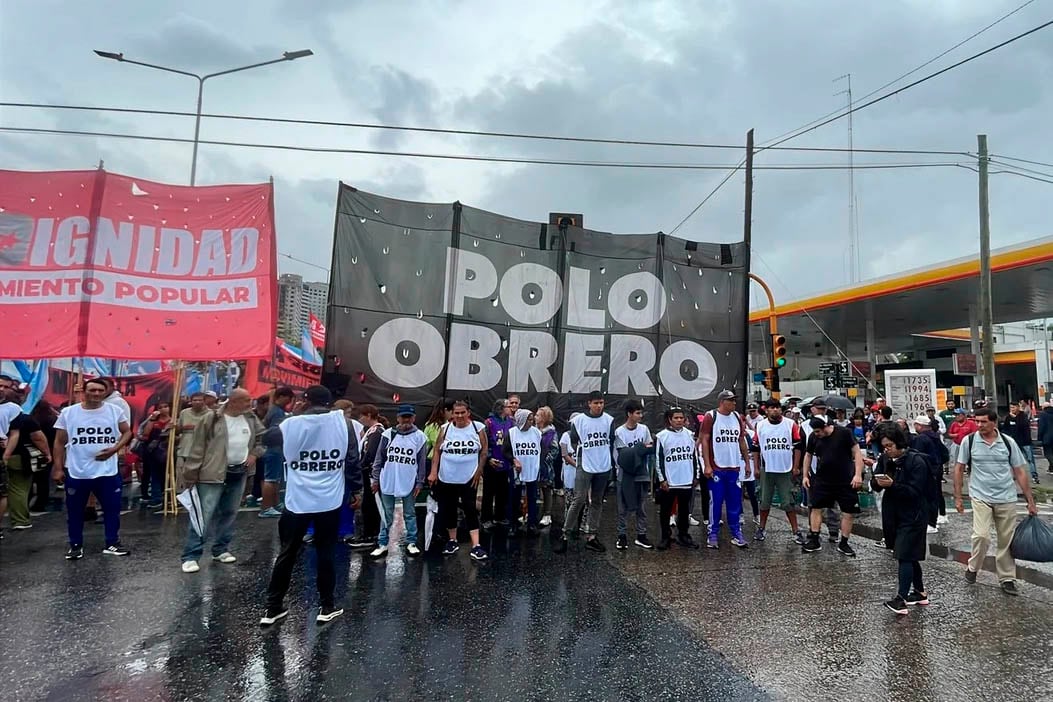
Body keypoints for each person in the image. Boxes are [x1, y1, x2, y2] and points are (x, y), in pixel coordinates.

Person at [261, 385, 362, 626]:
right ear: (329, 402)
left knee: (287, 553)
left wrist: (294, 415)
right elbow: (352, 459)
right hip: (329, 499)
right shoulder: (346, 424)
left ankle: (272, 608)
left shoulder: (291, 424)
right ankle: (327, 606)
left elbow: (268, 438)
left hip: (297, 501)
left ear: (305, 401)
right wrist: (356, 489)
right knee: (325, 552)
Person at [954, 407, 1038, 596]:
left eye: (983, 422)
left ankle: (1007, 578)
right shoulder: (970, 441)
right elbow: (959, 469)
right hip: (980, 495)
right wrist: (958, 497)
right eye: (977, 421)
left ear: (994, 423)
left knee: (1006, 540)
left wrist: (1030, 501)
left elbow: (1020, 471)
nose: (979, 425)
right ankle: (973, 567)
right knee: (981, 535)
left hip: (1006, 497)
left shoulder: (1008, 442)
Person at [180, 389, 264, 573]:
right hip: (212, 474)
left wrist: (254, 455)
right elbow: (198, 447)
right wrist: (191, 475)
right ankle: (191, 556)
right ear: (233, 401)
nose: (250, 404)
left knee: (230, 512)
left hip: (239, 471)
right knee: (203, 514)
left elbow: (261, 440)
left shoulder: (250, 418)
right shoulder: (212, 418)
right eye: (246, 400)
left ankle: (220, 549)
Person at [52, 378, 133, 559]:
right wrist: (57, 467)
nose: (96, 394)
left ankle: (112, 543)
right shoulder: (69, 413)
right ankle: (75, 545)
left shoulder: (115, 411)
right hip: (77, 471)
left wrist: (114, 449)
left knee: (112, 510)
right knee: (75, 511)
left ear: (105, 392)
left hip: (107, 471)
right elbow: (59, 442)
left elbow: (127, 431)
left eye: (100, 391)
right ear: (84, 392)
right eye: (92, 390)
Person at [872, 426, 935, 615]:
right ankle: (920, 592)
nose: (886, 450)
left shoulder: (917, 462)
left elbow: (915, 492)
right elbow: (876, 484)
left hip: (914, 514)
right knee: (909, 554)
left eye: (889, 445)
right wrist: (878, 481)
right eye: (883, 446)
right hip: (894, 513)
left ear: (899, 443)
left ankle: (901, 598)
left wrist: (894, 485)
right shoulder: (885, 459)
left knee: (904, 555)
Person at [428, 400, 488, 561]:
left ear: (468, 412)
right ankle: (452, 540)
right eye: (456, 412)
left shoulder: (478, 428)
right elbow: (437, 452)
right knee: (449, 509)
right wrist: (433, 472)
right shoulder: (445, 429)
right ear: (452, 413)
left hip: (469, 477)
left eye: (462, 412)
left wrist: (479, 471)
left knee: (470, 509)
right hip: (447, 477)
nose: (459, 416)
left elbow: (484, 452)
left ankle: (476, 545)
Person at [557, 391, 616, 554]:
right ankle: (565, 534)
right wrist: (584, 456)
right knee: (579, 499)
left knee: (596, 501)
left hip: (603, 465)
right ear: (589, 403)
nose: (599, 406)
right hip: (585, 463)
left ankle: (591, 535)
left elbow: (610, 440)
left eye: (602, 403)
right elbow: (575, 441)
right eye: (596, 403)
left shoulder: (609, 420)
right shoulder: (578, 421)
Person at [801, 415, 864, 557]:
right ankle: (815, 539)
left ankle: (844, 542)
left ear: (825, 427)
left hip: (845, 480)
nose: (816, 434)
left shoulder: (844, 433)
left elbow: (857, 453)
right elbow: (808, 455)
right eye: (815, 432)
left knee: (848, 512)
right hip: (823, 479)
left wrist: (858, 474)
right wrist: (805, 475)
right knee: (816, 508)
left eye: (818, 431)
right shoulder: (813, 437)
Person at [370, 404, 428, 558]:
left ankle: (411, 542)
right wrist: (375, 479)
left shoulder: (420, 437)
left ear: (414, 418)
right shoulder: (388, 434)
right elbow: (379, 458)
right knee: (386, 513)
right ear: (398, 418)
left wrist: (420, 482)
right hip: (388, 478)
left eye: (409, 417)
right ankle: (382, 543)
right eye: (403, 417)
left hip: (408, 480)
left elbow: (421, 462)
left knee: (409, 513)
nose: (406, 420)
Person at [698, 390, 751, 550]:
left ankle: (736, 533)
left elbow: (741, 440)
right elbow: (704, 440)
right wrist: (707, 464)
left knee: (735, 502)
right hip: (717, 467)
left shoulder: (736, 417)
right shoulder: (711, 416)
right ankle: (712, 534)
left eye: (735, 400)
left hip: (733, 466)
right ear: (722, 402)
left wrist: (747, 462)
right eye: (731, 400)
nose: (734, 403)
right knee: (716, 501)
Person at [753, 401, 804, 544]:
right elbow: (756, 448)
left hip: (785, 469)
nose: (775, 410)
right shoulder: (761, 425)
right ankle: (761, 528)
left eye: (777, 408)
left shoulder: (790, 424)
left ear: (781, 410)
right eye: (771, 408)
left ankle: (796, 531)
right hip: (767, 469)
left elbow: (798, 447)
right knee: (764, 501)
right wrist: (756, 467)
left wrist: (796, 466)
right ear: (767, 410)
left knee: (788, 502)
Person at [655, 408, 699, 550]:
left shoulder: (689, 435)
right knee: (665, 511)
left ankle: (683, 535)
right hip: (670, 481)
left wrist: (695, 475)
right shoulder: (662, 436)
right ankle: (665, 537)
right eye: (676, 418)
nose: (679, 420)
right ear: (670, 420)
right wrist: (662, 480)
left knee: (685, 510)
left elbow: (694, 456)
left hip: (686, 479)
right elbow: (658, 460)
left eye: (681, 418)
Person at [2, 404, 51, 531]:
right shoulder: (26, 419)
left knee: (3, 491)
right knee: (19, 489)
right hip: (19, 457)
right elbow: (38, 438)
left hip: (4, 455)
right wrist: (47, 453)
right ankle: (20, 520)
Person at [613, 400, 654, 550]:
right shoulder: (619, 432)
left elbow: (649, 447)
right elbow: (623, 456)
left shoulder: (644, 429)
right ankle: (622, 536)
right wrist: (639, 449)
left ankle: (641, 535)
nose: (640, 416)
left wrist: (638, 450)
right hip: (625, 474)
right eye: (637, 413)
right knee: (623, 507)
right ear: (629, 414)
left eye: (641, 412)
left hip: (641, 473)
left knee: (641, 507)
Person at [347, 404, 384, 549]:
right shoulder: (372, 431)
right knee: (369, 504)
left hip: (371, 474)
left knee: (371, 505)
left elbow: (371, 454)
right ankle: (370, 534)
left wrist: (361, 465)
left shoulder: (377, 431)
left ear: (369, 415)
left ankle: (371, 535)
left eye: (362, 415)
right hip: (368, 472)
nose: (360, 419)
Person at [505, 410, 544, 537]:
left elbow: (543, 449)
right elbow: (505, 451)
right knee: (514, 498)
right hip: (517, 471)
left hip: (532, 469)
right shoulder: (511, 433)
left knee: (532, 498)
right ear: (521, 420)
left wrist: (538, 464)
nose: (532, 422)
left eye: (532, 419)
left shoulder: (537, 433)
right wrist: (514, 460)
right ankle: (513, 524)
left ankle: (532, 524)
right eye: (529, 419)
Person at [259, 387, 295, 519]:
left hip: (275, 448)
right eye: (288, 397)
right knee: (270, 479)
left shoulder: (276, 410)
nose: (290, 400)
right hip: (274, 448)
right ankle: (266, 508)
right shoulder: (277, 412)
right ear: (281, 397)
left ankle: (274, 504)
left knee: (275, 479)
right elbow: (275, 431)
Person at [481, 399, 515, 530]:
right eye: (508, 406)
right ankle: (486, 518)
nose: (510, 408)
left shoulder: (511, 422)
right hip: (492, 462)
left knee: (503, 491)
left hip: (505, 461)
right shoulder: (489, 423)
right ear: (501, 408)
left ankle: (500, 516)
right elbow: (484, 442)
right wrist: (488, 458)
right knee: (488, 492)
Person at [911, 415, 949, 531]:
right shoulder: (936, 436)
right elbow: (945, 453)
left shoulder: (921, 439)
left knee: (927, 496)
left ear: (920, 426)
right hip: (936, 468)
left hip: (926, 470)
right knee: (937, 493)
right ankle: (940, 516)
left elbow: (917, 455)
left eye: (916, 425)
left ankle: (930, 523)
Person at [137, 402, 173, 509]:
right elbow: (145, 434)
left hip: (168, 451)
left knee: (168, 475)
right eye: (160, 407)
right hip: (153, 452)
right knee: (155, 475)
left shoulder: (174, 420)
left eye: (165, 406)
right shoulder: (153, 421)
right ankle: (156, 498)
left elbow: (178, 435)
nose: (163, 409)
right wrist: (152, 419)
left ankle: (168, 496)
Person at [29, 399, 59, 513]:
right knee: (43, 479)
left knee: (33, 478)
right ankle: (41, 502)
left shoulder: (34, 419)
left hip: (35, 451)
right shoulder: (53, 419)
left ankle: (34, 500)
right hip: (50, 450)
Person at [175, 393, 209, 491]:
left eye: (200, 400)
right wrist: (179, 427)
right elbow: (178, 430)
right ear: (191, 401)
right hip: (184, 450)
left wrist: (198, 428)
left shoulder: (211, 414)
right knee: (182, 477)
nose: (197, 402)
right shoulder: (184, 413)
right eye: (195, 400)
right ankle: (183, 498)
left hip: (202, 452)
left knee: (200, 478)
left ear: (204, 401)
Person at [1001, 402, 1038, 485]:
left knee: (1030, 459)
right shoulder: (1008, 417)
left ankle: (1034, 476)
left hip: (1025, 441)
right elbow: (1005, 428)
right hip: (1014, 442)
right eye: (1011, 408)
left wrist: (1015, 418)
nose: (1012, 409)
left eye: (1013, 407)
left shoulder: (1023, 416)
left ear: (1018, 407)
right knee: (1013, 459)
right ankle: (1014, 475)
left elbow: (1023, 426)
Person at [535, 406, 560, 528]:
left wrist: (546, 460)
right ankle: (530, 512)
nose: (535, 417)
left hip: (545, 466)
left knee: (546, 488)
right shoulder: (533, 430)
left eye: (538, 415)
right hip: (533, 465)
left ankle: (547, 515)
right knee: (533, 488)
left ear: (544, 418)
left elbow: (555, 449)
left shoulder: (551, 432)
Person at [1039, 402, 1053, 475]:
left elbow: (1042, 426)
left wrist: (1039, 437)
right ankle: (1051, 469)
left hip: (1047, 437)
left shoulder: (1043, 414)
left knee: (1048, 454)